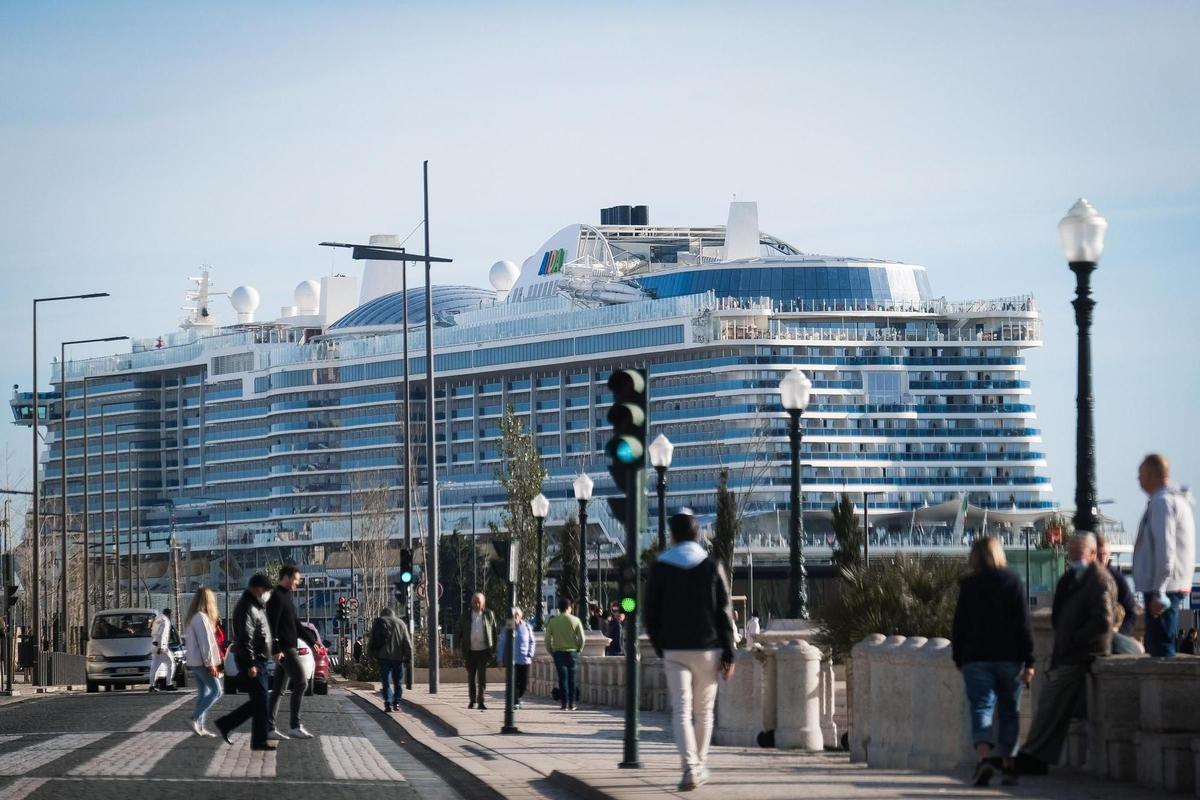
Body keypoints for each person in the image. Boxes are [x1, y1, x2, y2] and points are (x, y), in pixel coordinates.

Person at [645, 510, 737, 792]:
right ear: (698, 534)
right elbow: (724, 612)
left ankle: (689, 769)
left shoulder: (660, 567)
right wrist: (729, 653)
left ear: (672, 536)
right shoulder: (711, 566)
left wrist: (661, 646)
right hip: (708, 648)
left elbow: (650, 614)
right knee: (704, 712)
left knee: (682, 713)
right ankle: (700, 764)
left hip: (674, 649)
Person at [1016, 532, 1115, 774]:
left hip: (1082, 653)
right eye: (1069, 552)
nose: (1071, 557)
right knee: (1051, 704)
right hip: (1068, 651)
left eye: (1076, 552)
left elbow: (1103, 621)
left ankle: (1033, 755)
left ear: (1092, 554)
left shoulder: (1099, 581)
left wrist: (1074, 639)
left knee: (1052, 701)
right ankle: (1035, 754)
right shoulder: (1073, 578)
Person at [951, 537, 1034, 787]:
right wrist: (1029, 660)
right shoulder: (1012, 582)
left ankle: (985, 758)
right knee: (1010, 711)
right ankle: (1008, 764)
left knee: (981, 708)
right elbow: (1023, 624)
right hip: (1009, 657)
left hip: (976, 658)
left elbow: (959, 626)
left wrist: (959, 658)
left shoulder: (969, 585)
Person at [1132, 454, 1196, 657]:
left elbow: (1165, 549)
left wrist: (1159, 591)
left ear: (1152, 475)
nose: (1138, 479)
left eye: (1141, 474)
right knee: (1162, 644)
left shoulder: (1162, 503)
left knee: (1160, 649)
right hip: (1171, 585)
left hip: (1163, 589)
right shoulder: (1176, 500)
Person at [214, 574, 276, 751]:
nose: (266, 594)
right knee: (262, 702)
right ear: (256, 588)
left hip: (258, 660)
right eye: (265, 590)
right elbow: (245, 638)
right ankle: (258, 741)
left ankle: (227, 724)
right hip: (254, 661)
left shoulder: (256, 606)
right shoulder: (247, 607)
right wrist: (250, 664)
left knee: (259, 702)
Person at [267, 565, 312, 740]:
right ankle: (294, 725)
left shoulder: (286, 597)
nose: (298, 583)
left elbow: (296, 625)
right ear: (286, 577)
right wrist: (276, 649)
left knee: (278, 690)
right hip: (285, 649)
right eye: (296, 579)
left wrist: (312, 641)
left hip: (289, 647)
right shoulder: (276, 597)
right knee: (301, 682)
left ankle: (268, 728)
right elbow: (271, 624)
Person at [184, 587, 223, 737]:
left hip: (195, 661)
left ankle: (200, 726)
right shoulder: (201, 617)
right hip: (202, 662)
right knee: (217, 691)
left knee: (204, 692)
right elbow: (205, 643)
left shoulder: (193, 617)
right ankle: (194, 718)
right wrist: (210, 664)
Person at [455, 593, 496, 710]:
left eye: (479, 602)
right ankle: (472, 700)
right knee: (471, 677)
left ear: (483, 603)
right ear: (471, 603)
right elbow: (458, 631)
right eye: (475, 602)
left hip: (483, 651)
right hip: (470, 651)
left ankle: (481, 701)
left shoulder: (488, 615)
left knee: (482, 678)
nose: (477, 604)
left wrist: (493, 650)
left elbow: (493, 632)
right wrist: (457, 647)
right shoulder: (466, 616)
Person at [544, 598, 585, 711]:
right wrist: (579, 649)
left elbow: (547, 640)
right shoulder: (575, 620)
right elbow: (582, 638)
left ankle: (564, 704)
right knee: (572, 678)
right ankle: (572, 703)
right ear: (569, 608)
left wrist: (551, 652)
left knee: (562, 678)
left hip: (558, 653)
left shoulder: (553, 622)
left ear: (559, 608)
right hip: (572, 652)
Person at [369, 607, 412, 712]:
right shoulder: (401, 624)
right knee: (398, 681)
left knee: (386, 681)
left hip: (383, 657)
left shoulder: (378, 622)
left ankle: (388, 703)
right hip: (398, 657)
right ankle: (396, 702)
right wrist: (408, 657)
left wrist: (370, 655)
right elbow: (407, 643)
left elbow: (372, 640)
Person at [1096, 534, 1136, 637]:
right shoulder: (1084, 577)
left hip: (1113, 635)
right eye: (1098, 554)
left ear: (1109, 555)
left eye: (1104, 554)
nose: (1101, 558)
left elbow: (1131, 612)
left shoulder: (1117, 578)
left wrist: (1120, 633)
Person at [496, 607, 535, 708]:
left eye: (516, 615)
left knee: (523, 684)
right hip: (512, 660)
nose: (515, 618)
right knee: (513, 682)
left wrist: (530, 653)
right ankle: (515, 701)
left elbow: (532, 641)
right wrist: (500, 659)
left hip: (525, 660)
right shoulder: (508, 627)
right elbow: (502, 644)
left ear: (520, 616)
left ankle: (517, 698)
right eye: (513, 616)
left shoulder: (527, 626)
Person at [149, 608, 176, 692]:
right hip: (161, 647)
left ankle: (152, 685)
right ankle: (169, 684)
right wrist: (161, 646)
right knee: (170, 663)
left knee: (155, 666)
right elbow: (162, 634)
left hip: (154, 645)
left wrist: (155, 643)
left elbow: (153, 632)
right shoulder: (166, 621)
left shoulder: (157, 619)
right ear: (169, 614)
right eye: (171, 615)